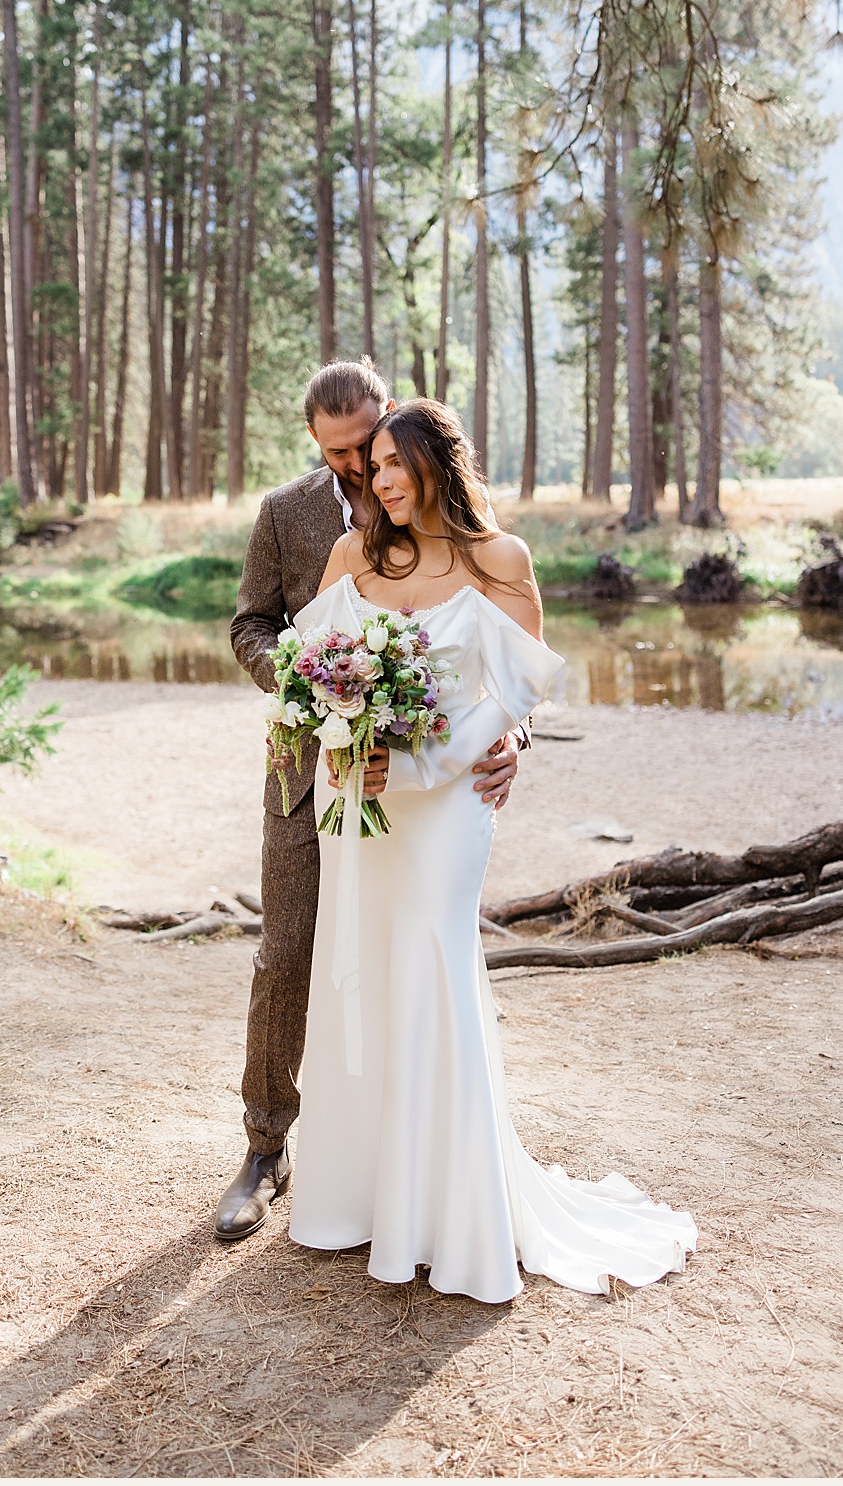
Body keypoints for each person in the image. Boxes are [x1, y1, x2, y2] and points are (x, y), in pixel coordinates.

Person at [284, 398, 695, 1301]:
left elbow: (513, 694)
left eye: (397, 463)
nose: (382, 481)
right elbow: (307, 674)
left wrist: (457, 752)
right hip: (358, 803)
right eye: (375, 467)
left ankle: (448, 1216)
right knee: (360, 970)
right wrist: (344, 728)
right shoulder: (353, 556)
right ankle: (355, 1199)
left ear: (441, 463)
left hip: (447, 804)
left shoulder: (500, 561)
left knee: (434, 961)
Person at [219, 361, 526, 1243]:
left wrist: (512, 735)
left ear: (389, 420)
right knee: (284, 953)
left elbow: (494, 644)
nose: (356, 466)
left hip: (417, 782)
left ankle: (392, 1166)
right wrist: (314, 684)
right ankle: (264, 1148)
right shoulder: (286, 514)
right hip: (306, 769)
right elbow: (251, 621)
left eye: (365, 445)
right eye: (336, 452)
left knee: (401, 960)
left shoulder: (446, 507)